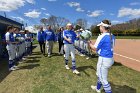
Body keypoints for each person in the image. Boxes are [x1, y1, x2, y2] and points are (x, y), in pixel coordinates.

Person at [88, 20, 115, 93]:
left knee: (103, 79)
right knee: (100, 75)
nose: (99, 27)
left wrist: (89, 44)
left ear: (103, 27)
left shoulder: (102, 36)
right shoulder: (112, 35)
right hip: (110, 58)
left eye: (100, 26)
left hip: (104, 59)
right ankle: (98, 88)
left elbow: (94, 48)